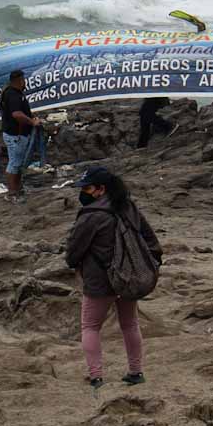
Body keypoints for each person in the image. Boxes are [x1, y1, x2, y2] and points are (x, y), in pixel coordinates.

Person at [64, 166, 160, 389]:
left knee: (90, 327)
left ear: (100, 189)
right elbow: (150, 238)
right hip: (128, 277)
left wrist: (73, 264)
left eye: (87, 188)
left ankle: (96, 377)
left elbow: (74, 249)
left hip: (99, 281)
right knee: (130, 324)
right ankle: (136, 372)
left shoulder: (91, 216)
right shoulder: (127, 207)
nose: (84, 192)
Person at [0, 69, 45, 199]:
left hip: (17, 134)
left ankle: (18, 188)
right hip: (15, 135)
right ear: (19, 80)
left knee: (17, 163)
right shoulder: (13, 95)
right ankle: (12, 193)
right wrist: (32, 122)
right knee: (14, 164)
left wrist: (31, 118)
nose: (25, 82)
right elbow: (16, 114)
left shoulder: (14, 93)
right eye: (24, 80)